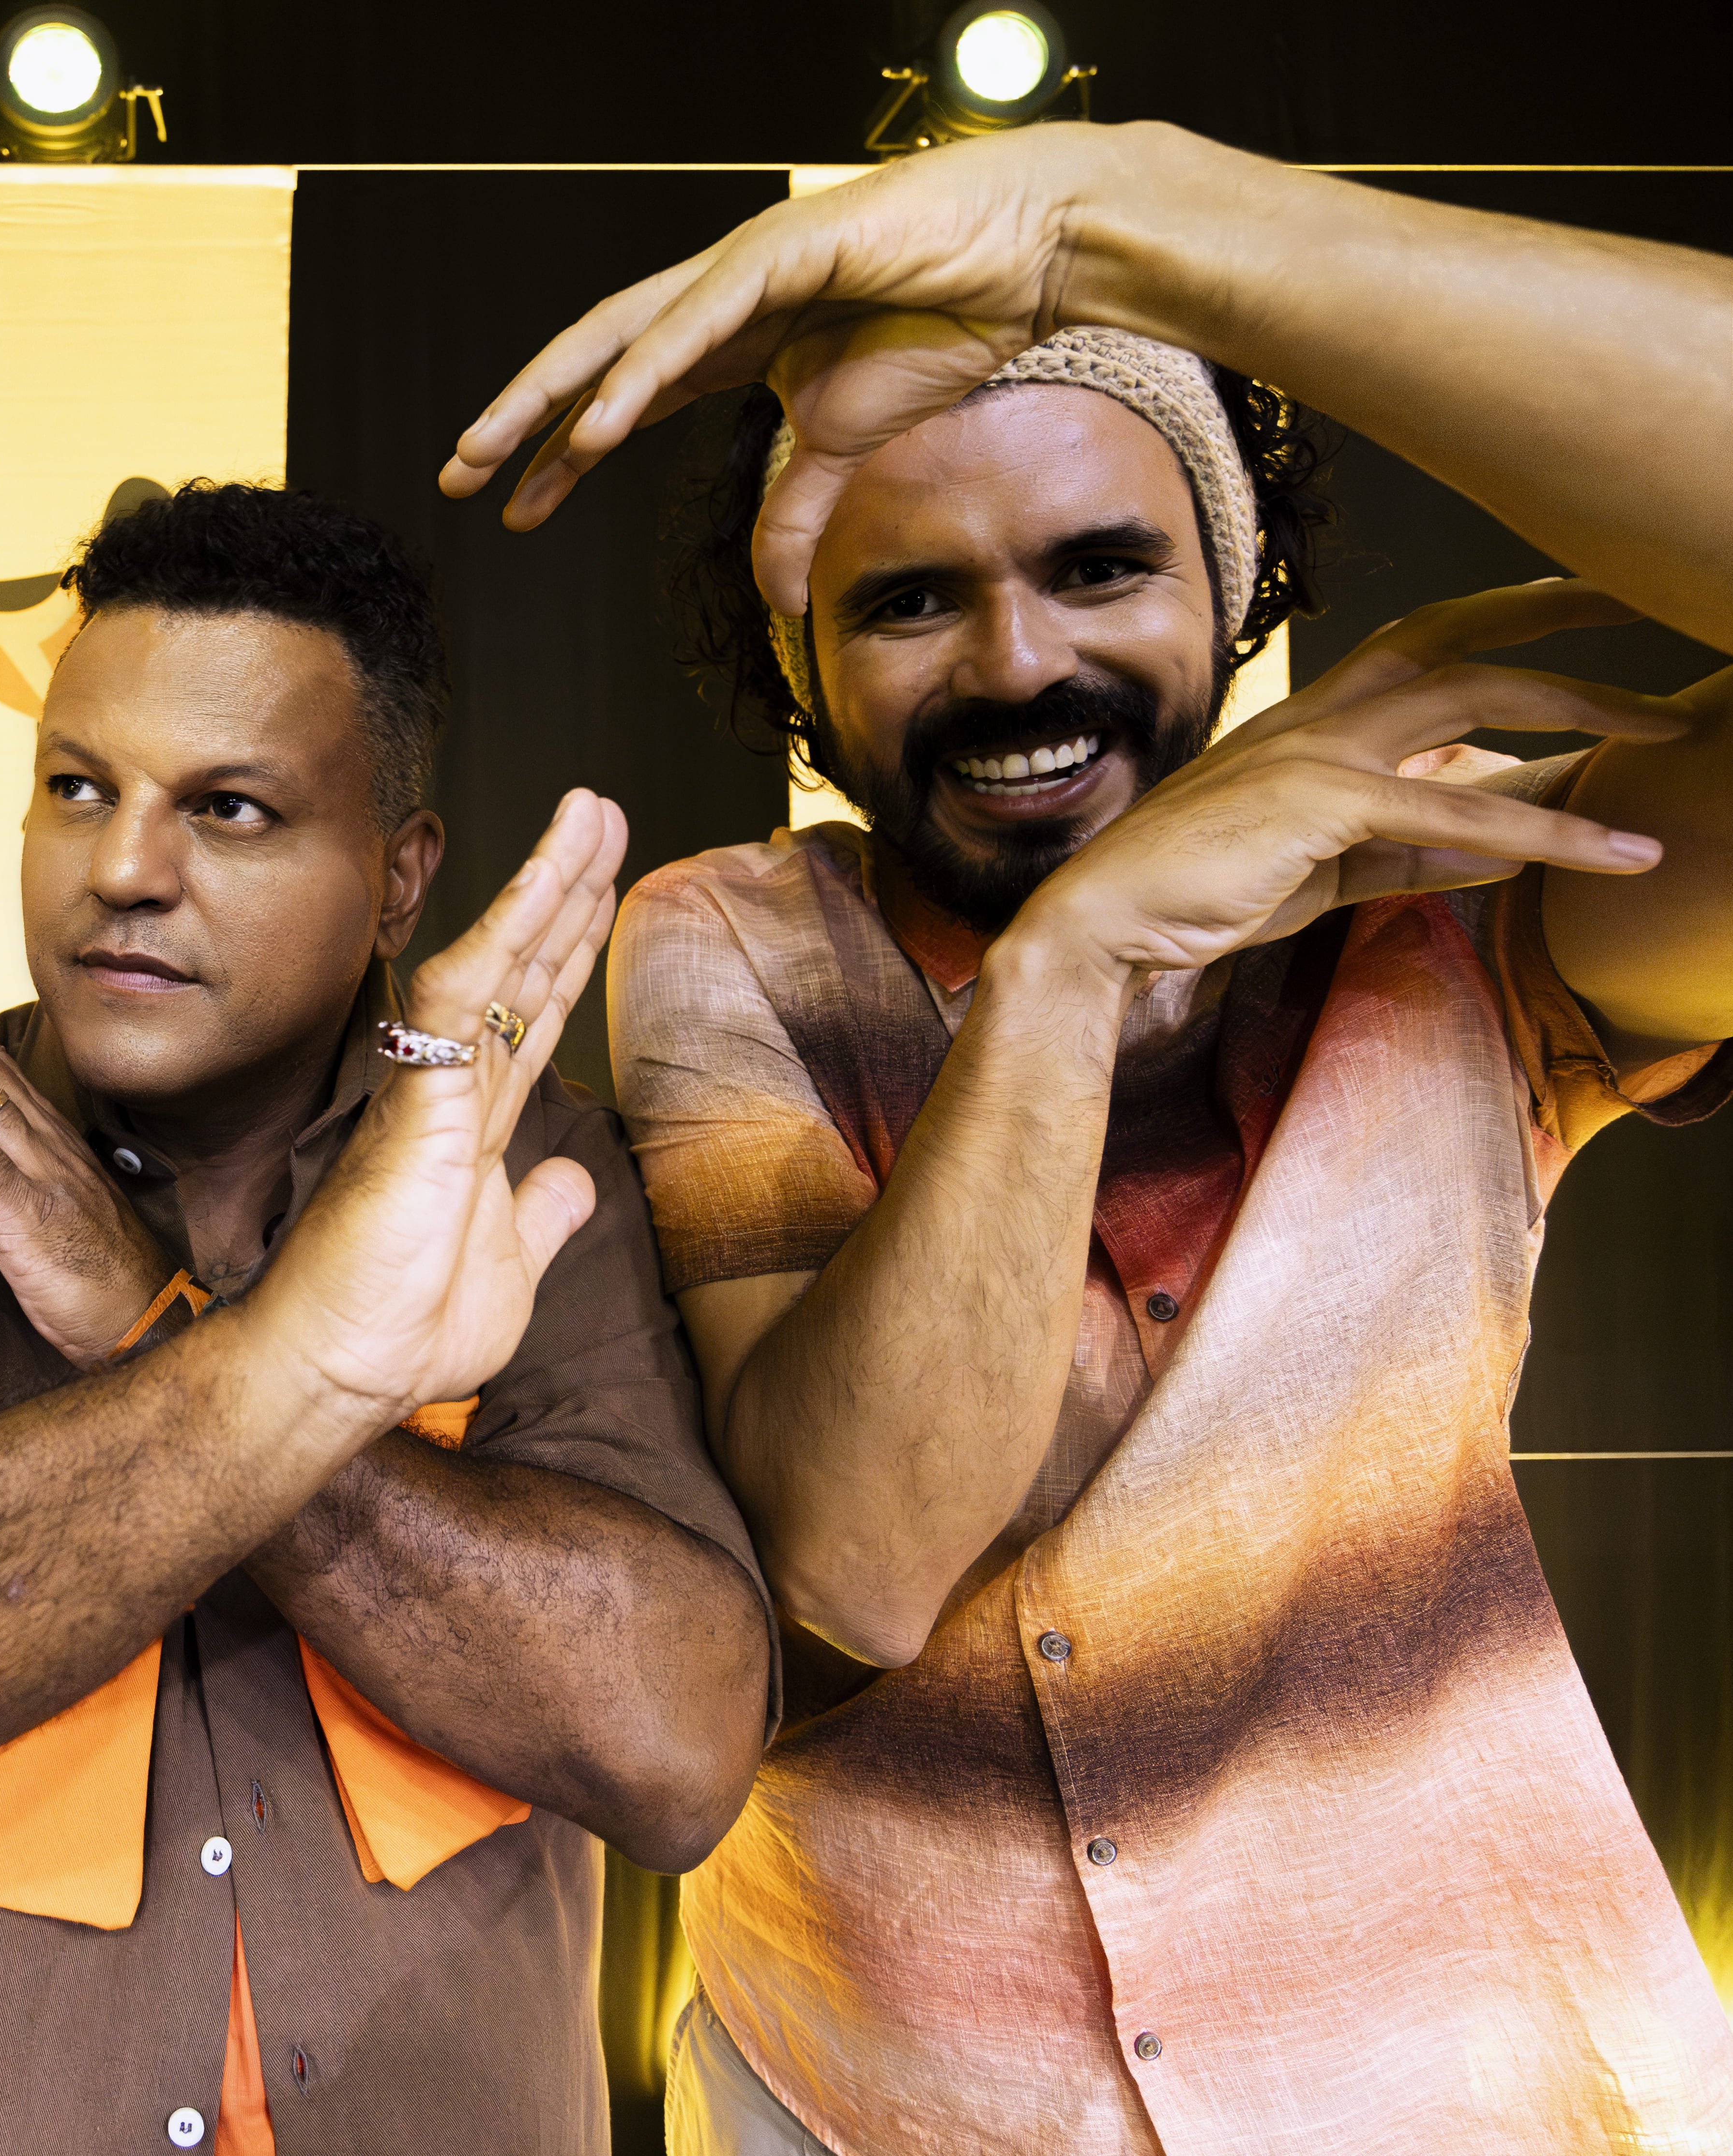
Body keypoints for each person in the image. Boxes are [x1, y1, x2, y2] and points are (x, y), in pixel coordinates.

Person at [443, 120, 1733, 2152]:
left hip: (1457, 2085)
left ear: (1232, 583)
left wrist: (1129, 218)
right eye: (909, 601)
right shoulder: (728, 941)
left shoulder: (1455, 904)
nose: (1020, 663)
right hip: (873, 2101)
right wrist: (1075, 956)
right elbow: (857, 1561)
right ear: (798, 664)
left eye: (1102, 566)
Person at [0, 484, 773, 2155]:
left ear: (399, 878)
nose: (122, 872)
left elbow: (674, 1749)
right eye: (77, 788)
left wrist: (142, 1328)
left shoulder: (532, 1175)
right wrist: (271, 1375)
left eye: (229, 810)